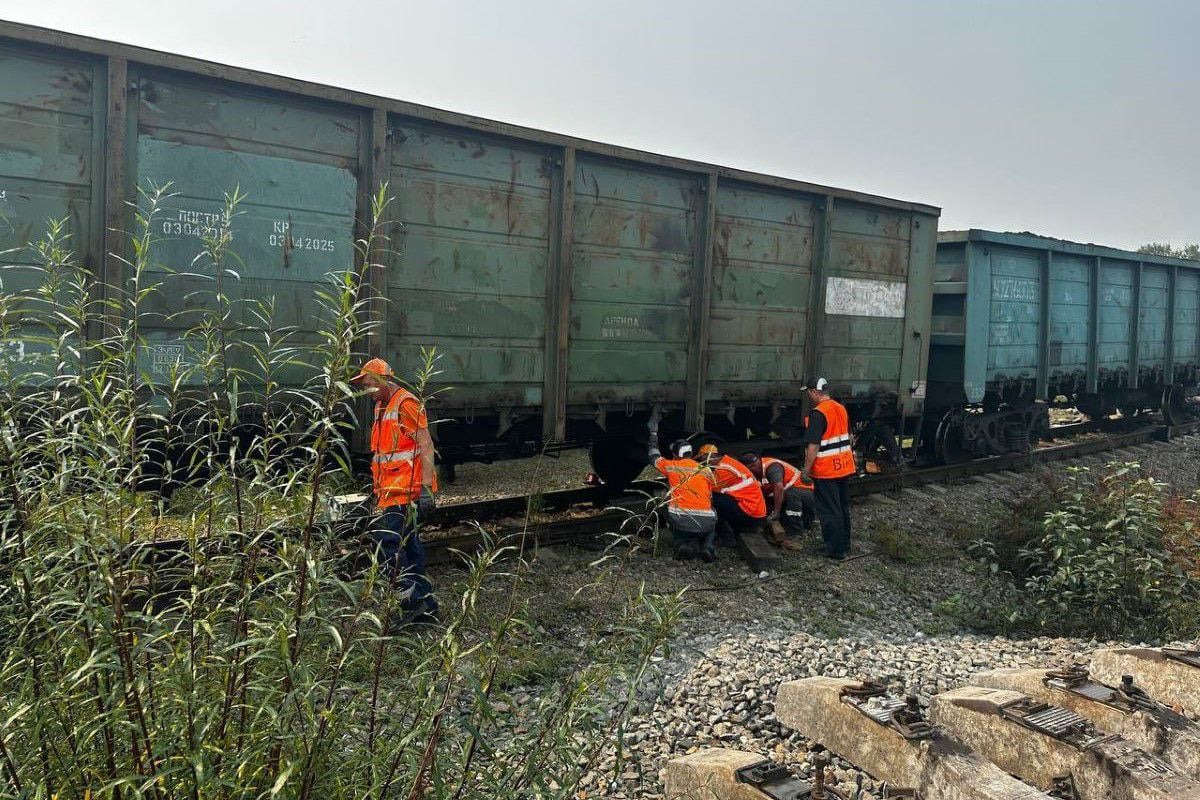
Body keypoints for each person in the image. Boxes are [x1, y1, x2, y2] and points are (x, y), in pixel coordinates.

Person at [350, 357, 439, 625]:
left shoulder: (406, 403)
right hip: (390, 490)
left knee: (388, 543)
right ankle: (426, 605)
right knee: (408, 545)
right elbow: (385, 453)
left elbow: (425, 445)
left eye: (368, 385)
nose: (366, 391)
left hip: (406, 491)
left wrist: (425, 489)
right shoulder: (381, 405)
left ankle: (409, 603)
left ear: (381, 381)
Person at [647, 419, 718, 562]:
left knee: (665, 504)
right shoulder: (705, 470)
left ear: (675, 454)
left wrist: (653, 433)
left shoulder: (671, 466)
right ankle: (708, 547)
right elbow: (710, 498)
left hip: (681, 523)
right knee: (713, 512)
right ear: (690, 454)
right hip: (706, 523)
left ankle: (682, 544)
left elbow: (653, 455)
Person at [800, 377, 855, 560]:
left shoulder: (818, 413)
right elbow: (850, 437)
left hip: (827, 470)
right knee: (842, 506)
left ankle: (834, 550)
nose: (809, 397)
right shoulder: (840, 408)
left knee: (829, 510)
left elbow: (813, 446)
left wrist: (806, 470)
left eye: (809, 393)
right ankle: (845, 544)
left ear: (815, 392)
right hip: (844, 467)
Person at [740, 452, 814, 549]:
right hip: (792, 493)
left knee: (790, 494)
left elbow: (779, 487)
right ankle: (781, 525)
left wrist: (776, 512)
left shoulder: (772, 467)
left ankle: (794, 534)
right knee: (773, 497)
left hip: (806, 493)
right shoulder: (759, 471)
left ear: (752, 466)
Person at [697, 444, 768, 541]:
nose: (701, 463)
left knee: (712, 498)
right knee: (720, 498)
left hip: (751, 514)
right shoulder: (727, 462)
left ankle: (726, 537)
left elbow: (706, 488)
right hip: (753, 511)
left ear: (707, 456)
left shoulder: (724, 470)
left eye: (701, 460)